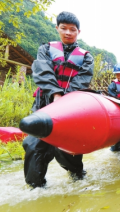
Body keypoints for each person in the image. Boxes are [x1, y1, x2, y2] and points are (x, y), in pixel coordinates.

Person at [23, 11, 94, 188]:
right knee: (34, 144)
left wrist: (63, 100)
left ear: (78, 32)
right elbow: (43, 73)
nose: (68, 33)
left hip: (70, 107)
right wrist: (55, 94)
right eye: (64, 28)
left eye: (72, 29)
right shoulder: (45, 49)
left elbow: (82, 80)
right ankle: (35, 186)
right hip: (44, 104)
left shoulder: (86, 56)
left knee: (68, 147)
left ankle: (77, 175)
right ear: (57, 28)